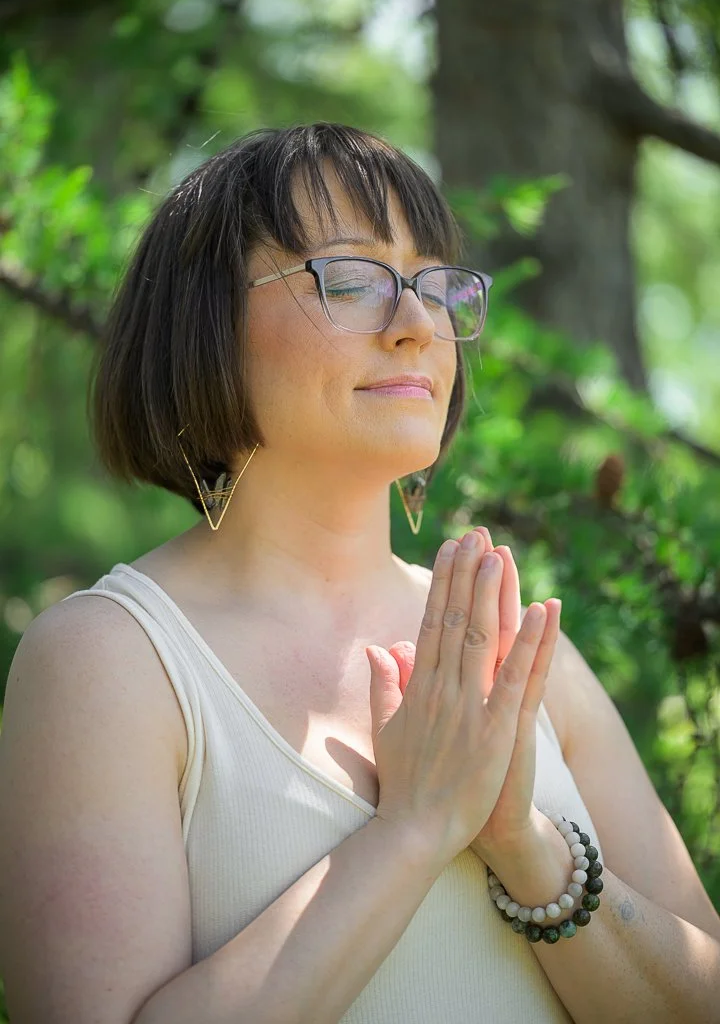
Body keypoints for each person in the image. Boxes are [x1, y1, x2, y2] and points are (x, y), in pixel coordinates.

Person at [0, 123, 718, 1024]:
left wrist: (525, 848)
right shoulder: (110, 661)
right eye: (352, 279)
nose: (417, 326)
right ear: (205, 323)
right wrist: (412, 831)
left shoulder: (518, 650)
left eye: (434, 285)